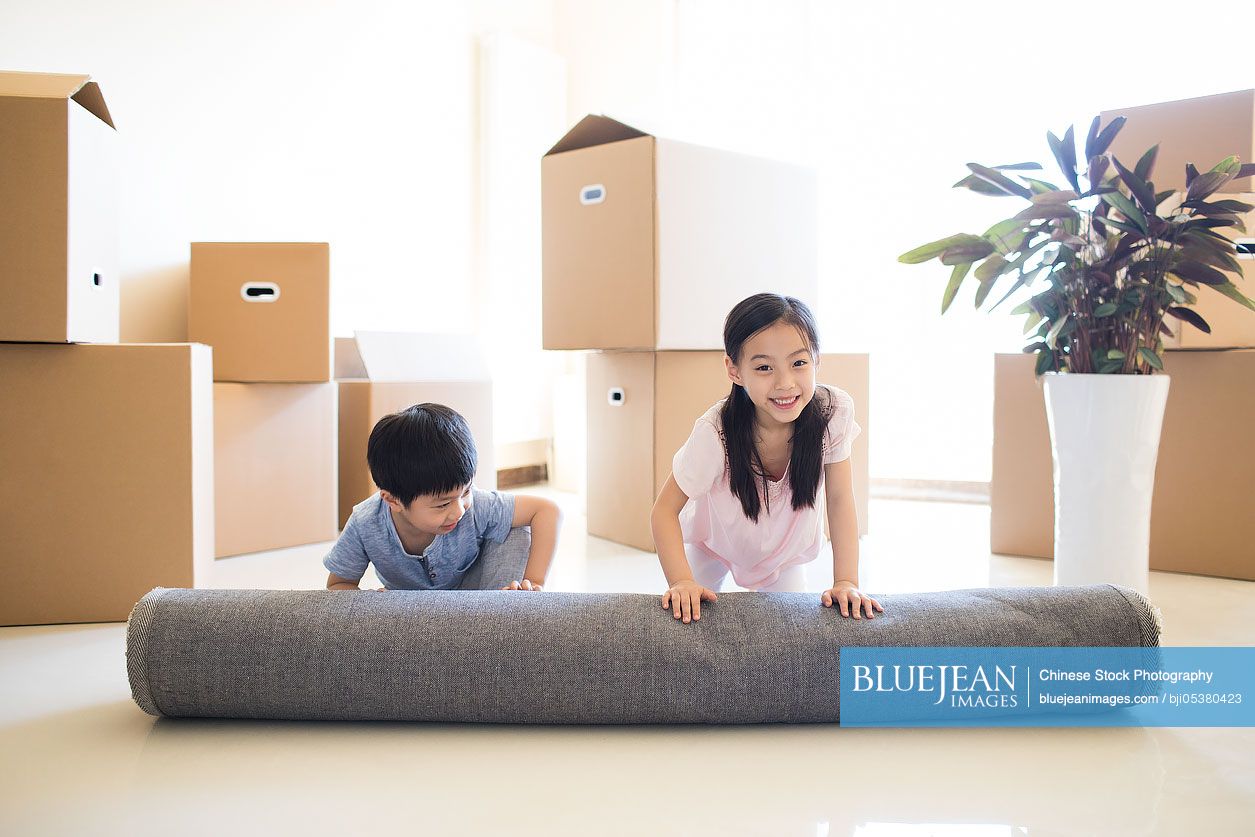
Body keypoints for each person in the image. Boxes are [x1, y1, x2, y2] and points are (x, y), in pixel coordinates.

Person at [651, 292, 883, 623]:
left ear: (817, 359)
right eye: (763, 367)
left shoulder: (834, 411)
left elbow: (840, 497)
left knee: (790, 636)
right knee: (689, 622)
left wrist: (847, 581)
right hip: (714, 544)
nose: (785, 383)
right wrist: (681, 581)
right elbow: (663, 511)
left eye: (799, 363)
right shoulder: (714, 432)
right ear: (734, 370)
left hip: (783, 556)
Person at [324, 403, 561, 592]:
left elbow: (548, 511)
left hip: (482, 599)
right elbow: (337, 584)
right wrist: (374, 605)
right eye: (443, 504)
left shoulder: (476, 506)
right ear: (393, 500)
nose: (459, 510)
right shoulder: (366, 523)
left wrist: (534, 582)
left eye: (465, 491)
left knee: (515, 528)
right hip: (410, 611)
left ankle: (510, 605)